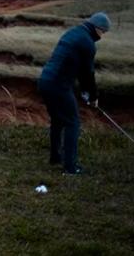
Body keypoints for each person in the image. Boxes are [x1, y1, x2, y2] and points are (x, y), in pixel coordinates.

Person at [38, 12, 110, 175]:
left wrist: (85, 92)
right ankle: (70, 168)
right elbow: (88, 74)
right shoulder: (87, 43)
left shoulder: (73, 33)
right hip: (58, 85)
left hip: (45, 81)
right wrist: (93, 97)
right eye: (103, 32)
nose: (102, 36)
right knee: (73, 123)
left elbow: (75, 68)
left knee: (58, 120)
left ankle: (55, 158)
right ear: (97, 28)